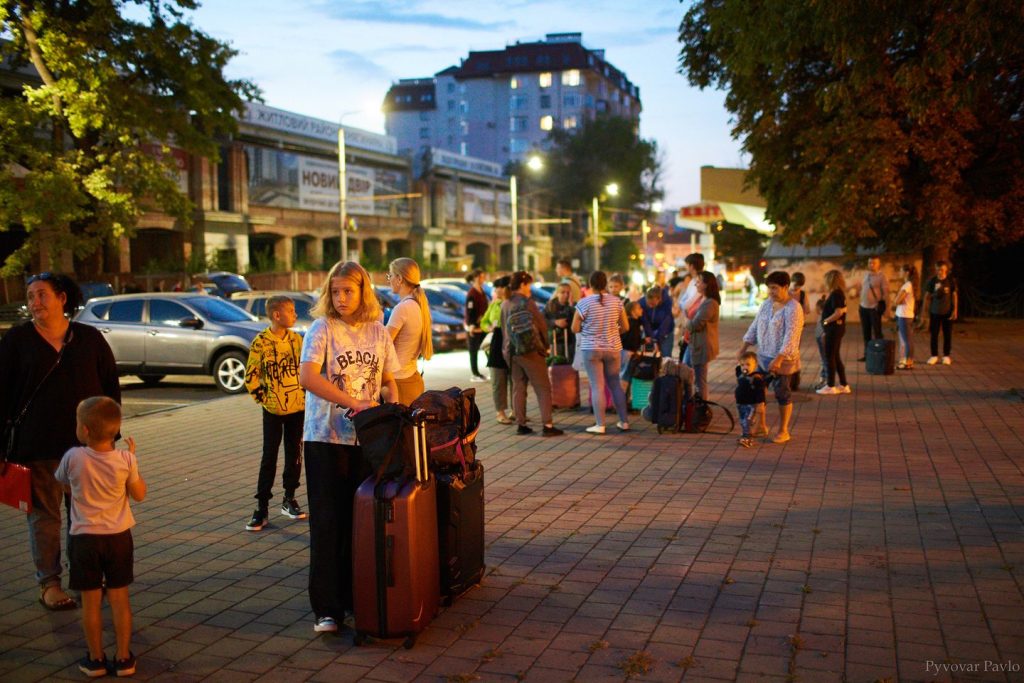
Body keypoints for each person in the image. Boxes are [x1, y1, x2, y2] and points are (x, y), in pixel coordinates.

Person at [0, 272, 120, 612]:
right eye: (31, 296)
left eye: (41, 295)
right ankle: (49, 583)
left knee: (85, 515)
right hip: (37, 447)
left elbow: (110, 386)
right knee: (44, 518)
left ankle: (85, 580)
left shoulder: (89, 338)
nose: (35, 302)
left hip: (86, 447)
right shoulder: (17, 341)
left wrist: (110, 434)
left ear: (62, 298)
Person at [298, 261, 400, 633]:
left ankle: (357, 598)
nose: (341, 298)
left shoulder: (378, 331)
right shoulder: (322, 328)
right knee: (328, 522)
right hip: (326, 437)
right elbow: (307, 375)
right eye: (335, 291)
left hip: (367, 441)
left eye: (348, 291)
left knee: (361, 521)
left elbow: (389, 380)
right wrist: (352, 401)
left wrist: (390, 402)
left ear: (363, 292)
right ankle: (327, 608)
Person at [54, 397, 146, 677]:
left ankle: (95, 658)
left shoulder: (73, 456)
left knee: (91, 601)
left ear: (84, 430)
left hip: (84, 538)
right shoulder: (125, 459)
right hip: (118, 537)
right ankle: (123, 658)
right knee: (120, 598)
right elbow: (139, 494)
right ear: (115, 430)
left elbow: (63, 483)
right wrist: (132, 463)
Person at [243, 295, 307, 532]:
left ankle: (289, 498)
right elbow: (251, 377)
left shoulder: (297, 340)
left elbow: (305, 370)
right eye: (291, 311)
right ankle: (261, 508)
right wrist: (266, 400)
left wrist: (303, 396)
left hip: (297, 409)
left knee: (294, 454)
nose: (295, 314)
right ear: (277, 315)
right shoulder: (261, 342)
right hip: (273, 410)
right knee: (268, 456)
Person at [738, 271, 804, 444]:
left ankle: (783, 430)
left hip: (783, 359)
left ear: (785, 287)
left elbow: (792, 336)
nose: (771, 292)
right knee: (757, 391)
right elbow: (755, 325)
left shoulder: (794, 308)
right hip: (763, 356)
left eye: (774, 288)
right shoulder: (767, 304)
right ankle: (761, 426)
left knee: (782, 393)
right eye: (769, 288)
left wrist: (779, 359)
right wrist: (744, 346)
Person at [501, 271, 563, 437]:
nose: (530, 288)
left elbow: (503, 330)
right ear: (522, 285)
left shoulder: (505, 303)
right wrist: (546, 346)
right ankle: (548, 425)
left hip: (512, 352)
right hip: (531, 351)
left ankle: (521, 424)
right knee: (542, 388)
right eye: (529, 285)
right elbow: (541, 326)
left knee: (518, 387)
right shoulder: (528, 303)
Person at [571, 271, 630, 434]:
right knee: (615, 384)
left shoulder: (584, 303)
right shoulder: (617, 302)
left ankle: (600, 424)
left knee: (597, 386)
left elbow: (574, 328)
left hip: (592, 349)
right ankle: (624, 422)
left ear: (590, 284)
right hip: (613, 348)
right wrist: (612, 330)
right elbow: (625, 327)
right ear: (605, 284)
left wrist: (588, 328)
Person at [385, 258, 433, 403]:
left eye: (390, 275)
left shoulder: (403, 308)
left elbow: (383, 345)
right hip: (412, 377)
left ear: (399, 278)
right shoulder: (418, 304)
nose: (389, 280)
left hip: (398, 383)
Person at [685, 272, 721, 401]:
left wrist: (686, 323)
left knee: (700, 379)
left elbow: (696, 324)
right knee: (688, 373)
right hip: (694, 343)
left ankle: (701, 408)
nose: (696, 284)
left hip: (702, 345)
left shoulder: (710, 303)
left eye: (699, 281)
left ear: (706, 285)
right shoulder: (702, 299)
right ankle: (691, 404)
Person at [482, 276, 513, 424]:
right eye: (496, 288)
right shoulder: (494, 305)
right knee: (498, 380)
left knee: (515, 380)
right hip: (497, 343)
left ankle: (516, 410)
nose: (497, 290)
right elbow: (484, 322)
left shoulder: (512, 304)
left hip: (511, 343)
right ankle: (500, 412)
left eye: (500, 287)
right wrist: (488, 328)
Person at [816, 270, 852, 395]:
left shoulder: (836, 294)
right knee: (835, 357)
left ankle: (830, 385)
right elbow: (843, 310)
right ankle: (843, 384)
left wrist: (825, 321)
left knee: (829, 357)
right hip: (837, 329)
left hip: (833, 330)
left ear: (831, 280)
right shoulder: (839, 293)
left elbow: (839, 312)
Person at [923, 261, 958, 365]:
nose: (940, 272)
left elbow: (954, 295)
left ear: (946, 270)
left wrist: (955, 310)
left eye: (942, 270)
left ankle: (946, 356)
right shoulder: (932, 281)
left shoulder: (950, 281)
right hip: (935, 312)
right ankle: (934, 355)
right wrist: (925, 310)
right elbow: (927, 296)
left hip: (947, 311)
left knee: (947, 334)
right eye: (938, 269)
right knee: (934, 334)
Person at [735, 352, 771, 448]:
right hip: (740, 403)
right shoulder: (740, 374)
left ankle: (748, 438)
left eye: (748, 364)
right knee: (742, 421)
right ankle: (745, 435)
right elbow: (737, 369)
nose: (744, 367)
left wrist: (760, 404)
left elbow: (760, 392)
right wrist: (739, 363)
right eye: (742, 365)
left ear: (755, 365)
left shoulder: (756, 378)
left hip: (751, 404)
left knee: (748, 420)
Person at [858, 256, 890, 361]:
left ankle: (879, 354)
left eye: (874, 263)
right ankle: (867, 355)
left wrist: (887, 309)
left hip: (874, 308)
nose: (871, 265)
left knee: (877, 332)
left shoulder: (882, 277)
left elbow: (885, 293)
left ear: (878, 264)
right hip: (863, 307)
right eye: (870, 263)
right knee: (865, 332)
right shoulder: (865, 275)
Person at [464, 268, 489, 382]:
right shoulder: (472, 293)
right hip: (473, 327)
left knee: (488, 347)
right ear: (476, 278)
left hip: (483, 326)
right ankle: (475, 374)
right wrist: (471, 324)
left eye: (483, 277)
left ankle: (492, 370)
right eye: (481, 277)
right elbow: (470, 311)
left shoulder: (482, 291)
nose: (483, 279)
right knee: (473, 351)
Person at [788, 272, 812, 390]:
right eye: (795, 285)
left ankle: (794, 381)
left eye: (799, 286)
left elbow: (807, 310)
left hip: (797, 328)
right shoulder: (785, 292)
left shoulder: (802, 295)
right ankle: (785, 379)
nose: (796, 288)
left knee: (794, 353)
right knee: (785, 353)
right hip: (785, 327)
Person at [544, 283, 576, 361]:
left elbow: (576, 320)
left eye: (568, 293)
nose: (566, 295)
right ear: (557, 293)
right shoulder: (550, 305)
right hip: (555, 341)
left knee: (569, 364)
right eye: (562, 292)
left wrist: (571, 306)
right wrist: (555, 322)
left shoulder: (574, 305)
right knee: (556, 362)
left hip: (570, 341)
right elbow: (543, 320)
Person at [894, 264, 917, 369]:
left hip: (904, 315)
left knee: (907, 340)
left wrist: (897, 299)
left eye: (901, 270)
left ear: (907, 273)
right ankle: (906, 361)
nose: (899, 272)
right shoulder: (909, 284)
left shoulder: (907, 285)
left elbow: (897, 301)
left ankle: (908, 362)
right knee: (905, 339)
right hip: (904, 314)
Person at [640, 286, 674, 357]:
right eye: (648, 304)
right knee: (649, 356)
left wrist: (658, 340)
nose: (650, 306)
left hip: (666, 332)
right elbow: (645, 323)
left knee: (666, 355)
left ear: (659, 299)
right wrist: (652, 339)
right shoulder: (642, 302)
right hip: (650, 330)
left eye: (653, 304)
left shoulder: (667, 302)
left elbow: (665, 324)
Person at [619, 301, 644, 394]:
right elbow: (632, 339)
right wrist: (636, 349)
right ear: (633, 312)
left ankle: (623, 399)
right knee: (624, 375)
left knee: (625, 374)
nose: (642, 310)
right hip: (627, 351)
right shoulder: (633, 323)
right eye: (639, 308)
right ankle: (620, 400)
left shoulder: (630, 322)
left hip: (625, 350)